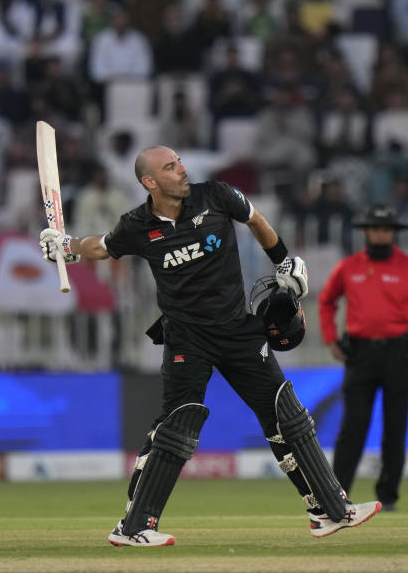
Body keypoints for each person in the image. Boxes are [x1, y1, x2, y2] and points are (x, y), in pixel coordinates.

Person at [39, 145, 381, 547]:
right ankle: (134, 527)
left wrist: (284, 260)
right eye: (170, 167)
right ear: (150, 182)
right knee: (178, 425)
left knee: (286, 414)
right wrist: (68, 246)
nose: (182, 170)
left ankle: (329, 511)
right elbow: (103, 246)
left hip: (239, 329)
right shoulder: (138, 225)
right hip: (187, 337)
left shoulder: (216, 195)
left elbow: (256, 220)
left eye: (180, 162)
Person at [318, 205, 408, 511]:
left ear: (393, 233)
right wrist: (330, 338)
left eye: (386, 229)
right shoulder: (348, 267)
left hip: (397, 352)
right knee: (352, 429)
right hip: (359, 352)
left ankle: (388, 496)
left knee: (395, 427)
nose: (380, 234)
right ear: (365, 231)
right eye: (375, 229)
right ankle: (336, 498)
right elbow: (326, 302)